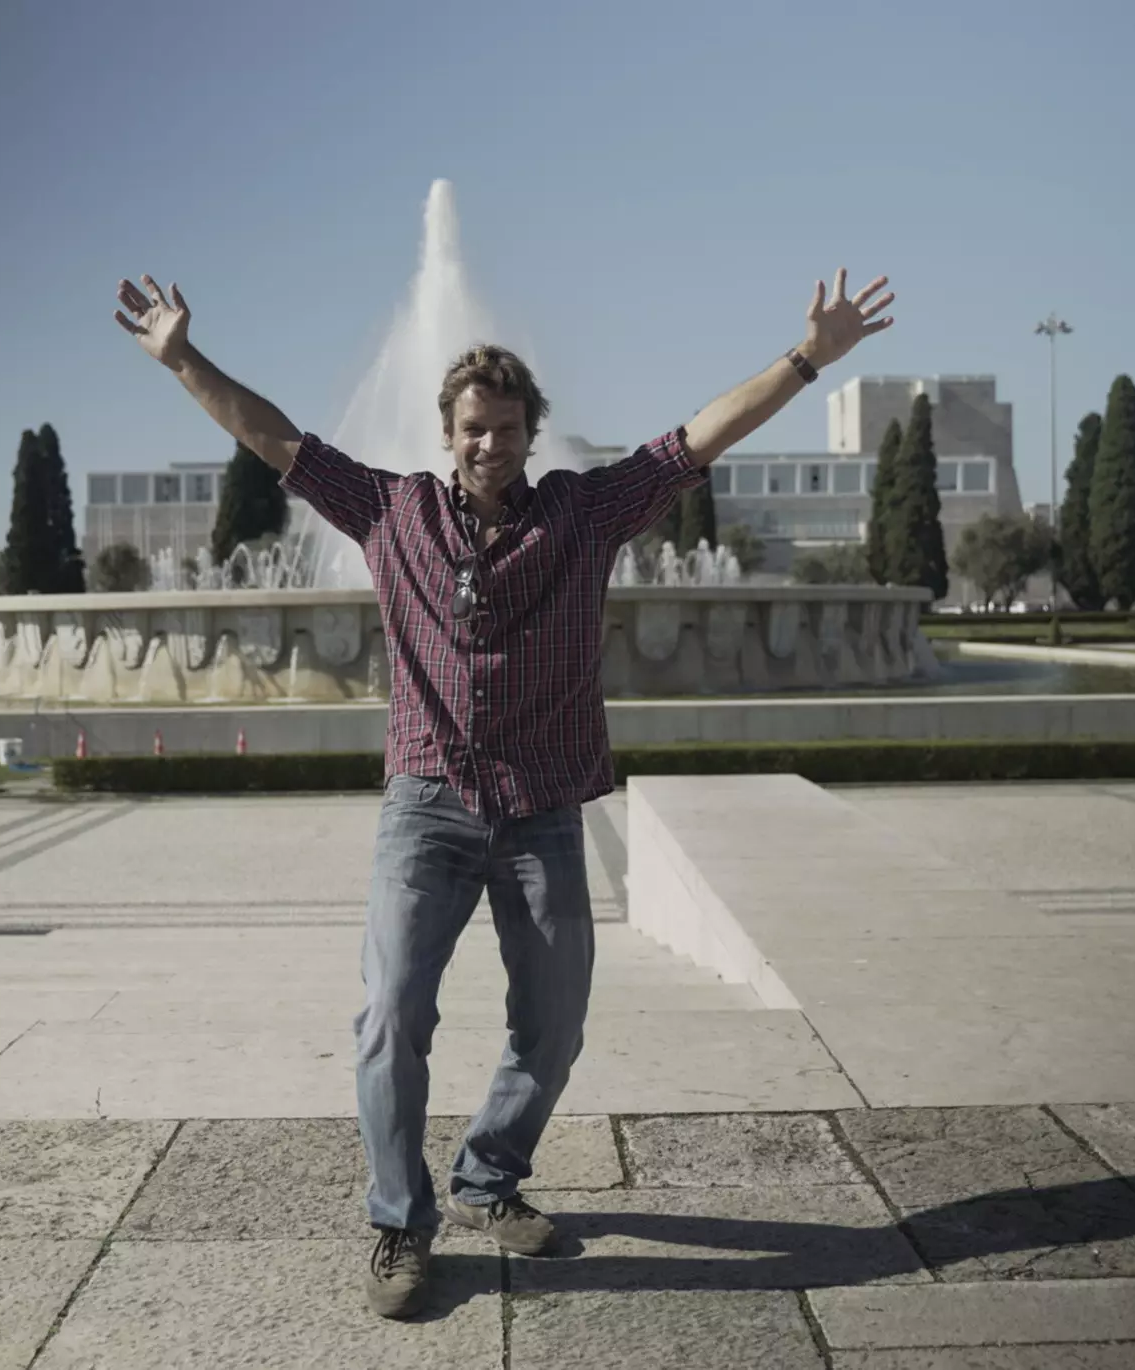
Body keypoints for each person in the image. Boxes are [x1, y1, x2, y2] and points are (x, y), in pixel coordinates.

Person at [113, 267, 894, 1319]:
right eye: (474, 427)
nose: (490, 443)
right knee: (391, 1012)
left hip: (541, 810)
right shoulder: (389, 509)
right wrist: (182, 361)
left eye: (509, 427)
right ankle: (398, 1220)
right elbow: (275, 439)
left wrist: (806, 360)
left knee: (556, 1019)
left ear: (533, 434)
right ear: (449, 431)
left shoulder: (585, 511)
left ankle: (489, 1172)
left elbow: (697, 438)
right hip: (426, 804)